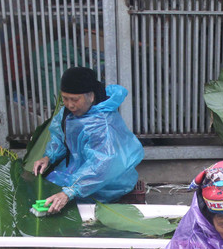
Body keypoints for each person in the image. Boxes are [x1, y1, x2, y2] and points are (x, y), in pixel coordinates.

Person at [32, 66, 144, 213]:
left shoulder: (102, 123)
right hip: (81, 170)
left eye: (75, 100)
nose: (70, 105)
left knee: (60, 200)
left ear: (90, 97)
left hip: (109, 180)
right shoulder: (68, 112)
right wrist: (48, 157)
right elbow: (60, 137)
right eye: (65, 98)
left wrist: (71, 191)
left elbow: (103, 163)